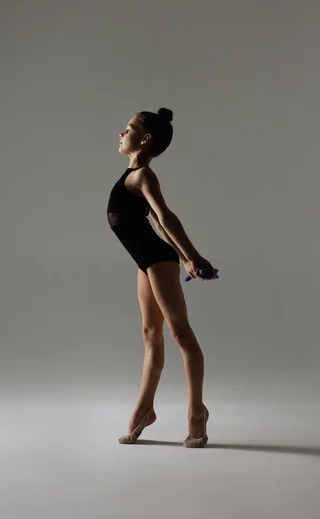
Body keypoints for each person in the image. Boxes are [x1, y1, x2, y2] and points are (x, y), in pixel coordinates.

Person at [106, 108, 217, 448]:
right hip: (147, 261)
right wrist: (185, 258)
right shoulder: (133, 177)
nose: (120, 134)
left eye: (127, 129)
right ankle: (145, 409)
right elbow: (155, 223)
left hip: (156, 260)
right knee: (150, 333)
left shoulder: (143, 176)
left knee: (180, 333)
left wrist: (192, 255)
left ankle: (197, 412)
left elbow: (166, 218)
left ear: (145, 138)